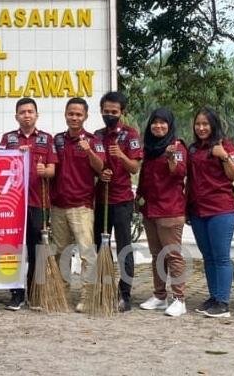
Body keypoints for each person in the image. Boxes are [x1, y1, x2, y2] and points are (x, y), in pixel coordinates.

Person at [0, 98, 57, 311]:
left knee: (36, 250)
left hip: (38, 202)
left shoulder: (46, 139)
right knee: (12, 249)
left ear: (36, 115)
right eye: (22, 112)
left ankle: (35, 292)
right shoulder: (8, 139)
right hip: (12, 204)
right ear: (16, 116)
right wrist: (13, 156)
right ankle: (16, 293)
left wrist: (45, 172)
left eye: (30, 111)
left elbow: (52, 169)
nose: (26, 115)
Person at [186, 107, 234, 318]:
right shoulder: (192, 149)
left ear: (213, 125)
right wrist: (187, 210)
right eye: (198, 124)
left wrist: (224, 157)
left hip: (221, 210)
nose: (201, 128)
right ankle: (213, 296)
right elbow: (190, 181)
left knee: (221, 257)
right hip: (198, 211)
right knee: (208, 257)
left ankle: (223, 302)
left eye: (205, 124)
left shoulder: (225, 146)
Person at [51, 98, 104, 313]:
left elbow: (101, 168)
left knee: (86, 254)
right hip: (58, 205)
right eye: (71, 114)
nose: (74, 118)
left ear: (86, 116)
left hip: (82, 206)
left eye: (79, 114)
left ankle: (87, 296)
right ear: (65, 114)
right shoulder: (57, 140)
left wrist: (89, 150)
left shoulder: (94, 140)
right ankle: (61, 293)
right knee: (59, 253)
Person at [92, 91, 143, 312]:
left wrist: (122, 156)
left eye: (114, 112)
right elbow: (94, 165)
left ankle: (125, 294)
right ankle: (105, 289)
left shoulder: (130, 135)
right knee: (100, 246)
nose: (110, 115)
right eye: (106, 111)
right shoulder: (97, 135)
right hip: (101, 199)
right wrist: (100, 173)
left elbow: (134, 168)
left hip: (122, 200)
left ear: (122, 112)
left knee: (124, 247)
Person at [136, 107, 188, 317]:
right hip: (150, 209)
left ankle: (179, 299)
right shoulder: (149, 148)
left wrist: (171, 158)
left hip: (170, 209)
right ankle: (159, 296)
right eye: (154, 122)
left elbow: (180, 173)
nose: (158, 126)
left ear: (170, 125)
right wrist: (138, 197)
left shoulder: (176, 146)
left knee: (173, 255)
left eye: (163, 122)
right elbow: (144, 176)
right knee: (157, 255)